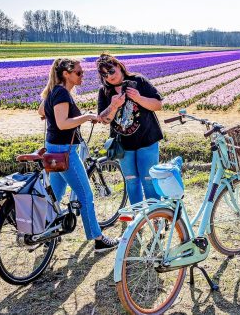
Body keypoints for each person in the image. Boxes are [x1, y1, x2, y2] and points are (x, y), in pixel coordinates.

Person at [38, 58, 118, 252]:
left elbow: (41, 111)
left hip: (53, 149)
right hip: (65, 151)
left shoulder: (53, 91)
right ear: (66, 73)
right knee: (85, 194)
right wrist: (88, 116)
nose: (82, 75)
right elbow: (63, 123)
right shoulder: (61, 93)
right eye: (79, 73)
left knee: (55, 195)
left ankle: (47, 233)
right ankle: (98, 239)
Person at [95, 53, 163, 205]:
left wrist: (138, 98)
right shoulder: (104, 91)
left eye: (111, 71)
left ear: (119, 66)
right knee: (131, 182)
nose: (109, 76)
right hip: (123, 146)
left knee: (149, 180)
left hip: (147, 140)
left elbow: (158, 104)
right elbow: (104, 119)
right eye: (104, 74)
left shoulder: (138, 81)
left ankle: (156, 216)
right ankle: (138, 218)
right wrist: (113, 106)